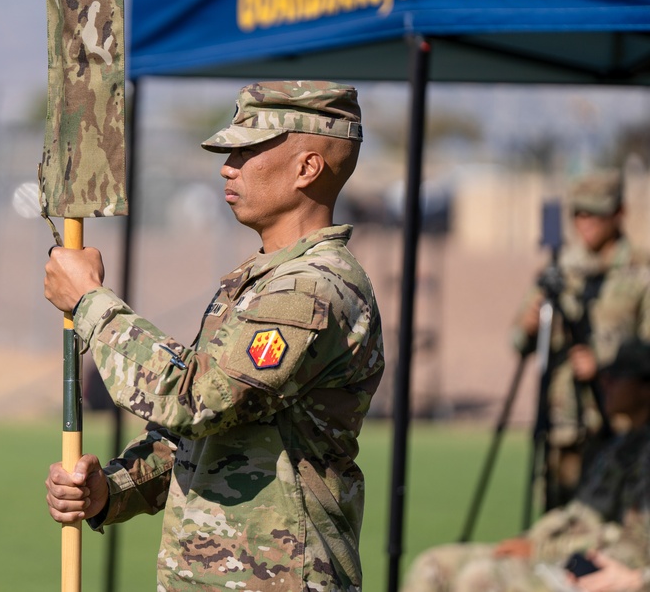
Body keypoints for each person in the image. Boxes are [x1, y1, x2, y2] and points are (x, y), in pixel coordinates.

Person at [43, 81, 385, 590]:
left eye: (247, 151)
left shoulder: (314, 290)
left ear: (307, 168)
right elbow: (200, 436)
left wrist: (90, 301)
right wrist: (111, 490)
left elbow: (196, 400)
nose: (228, 167)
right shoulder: (264, 281)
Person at [401, 338, 650, 592]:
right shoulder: (622, 446)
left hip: (607, 571)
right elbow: (580, 514)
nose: (605, 383)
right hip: (574, 557)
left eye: (618, 377)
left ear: (645, 388)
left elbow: (631, 541)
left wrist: (541, 549)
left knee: (476, 578)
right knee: (433, 566)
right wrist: (532, 541)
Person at [511, 169, 650, 509]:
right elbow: (518, 342)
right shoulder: (561, 271)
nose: (585, 222)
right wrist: (529, 325)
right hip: (560, 426)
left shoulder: (641, 272)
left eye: (596, 213)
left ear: (619, 213)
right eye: (579, 213)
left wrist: (602, 367)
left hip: (613, 428)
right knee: (554, 528)